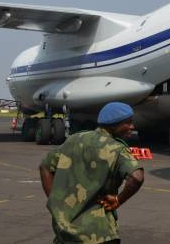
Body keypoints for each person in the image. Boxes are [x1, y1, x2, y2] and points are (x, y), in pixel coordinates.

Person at [39, 102, 144, 243]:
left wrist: (55, 202)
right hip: (99, 234)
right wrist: (119, 200)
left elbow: (45, 166)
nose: (132, 127)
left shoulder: (74, 140)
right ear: (113, 125)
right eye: (128, 123)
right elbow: (137, 177)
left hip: (65, 234)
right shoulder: (117, 149)